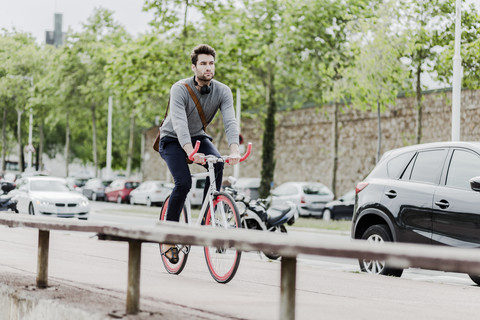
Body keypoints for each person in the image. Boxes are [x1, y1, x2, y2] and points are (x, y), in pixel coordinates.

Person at [158, 44, 240, 263]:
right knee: (184, 183)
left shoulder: (223, 91)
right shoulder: (179, 89)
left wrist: (234, 150)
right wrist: (189, 151)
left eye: (211, 63)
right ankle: (168, 236)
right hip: (172, 139)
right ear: (193, 67)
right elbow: (179, 123)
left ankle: (207, 219)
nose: (208, 68)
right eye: (203, 63)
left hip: (198, 137)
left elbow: (230, 120)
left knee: (218, 164)